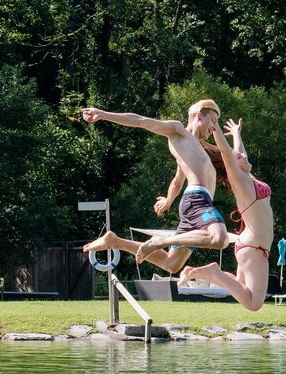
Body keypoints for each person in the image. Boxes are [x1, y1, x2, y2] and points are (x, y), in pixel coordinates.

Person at [80, 100, 229, 274]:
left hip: (196, 204)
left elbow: (177, 181)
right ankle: (162, 240)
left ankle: (115, 241)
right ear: (199, 115)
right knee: (219, 239)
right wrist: (103, 114)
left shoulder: (194, 147)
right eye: (213, 120)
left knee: (171, 264)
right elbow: (141, 121)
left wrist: (168, 201)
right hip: (198, 201)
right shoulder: (178, 130)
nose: (215, 127)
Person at [177, 118, 273, 311]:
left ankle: (198, 272)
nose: (244, 156)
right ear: (232, 164)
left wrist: (236, 133)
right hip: (254, 247)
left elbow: (239, 153)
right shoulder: (239, 180)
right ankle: (214, 272)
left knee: (239, 286)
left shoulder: (247, 177)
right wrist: (216, 126)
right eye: (239, 157)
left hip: (250, 245)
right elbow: (227, 153)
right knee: (253, 303)